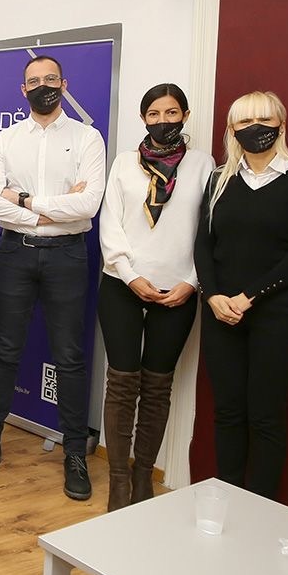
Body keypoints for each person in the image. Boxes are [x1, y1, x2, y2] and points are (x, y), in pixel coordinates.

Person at [0, 54, 106, 501]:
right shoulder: (5, 139)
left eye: (51, 79)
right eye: (34, 81)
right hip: (16, 254)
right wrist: (51, 211)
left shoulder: (87, 138)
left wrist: (25, 201)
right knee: (5, 350)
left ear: (64, 85)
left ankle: (74, 454)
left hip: (68, 256)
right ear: (22, 89)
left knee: (69, 356)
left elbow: (88, 205)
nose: (43, 86)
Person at [195, 91, 288, 500]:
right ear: (232, 129)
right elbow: (203, 245)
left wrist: (248, 296)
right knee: (227, 412)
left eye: (265, 120)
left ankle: (260, 511)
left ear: (281, 125)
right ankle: (228, 502)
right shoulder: (219, 180)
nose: (255, 128)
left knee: (266, 417)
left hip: (277, 314)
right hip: (220, 313)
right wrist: (213, 296)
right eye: (245, 122)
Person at [96, 83, 214, 510]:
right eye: (154, 114)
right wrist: (130, 276)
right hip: (122, 285)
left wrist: (193, 281)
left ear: (185, 115)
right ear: (143, 118)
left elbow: (209, 230)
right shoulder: (124, 163)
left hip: (178, 291)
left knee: (158, 387)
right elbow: (110, 223)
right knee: (122, 383)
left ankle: (143, 477)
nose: (163, 121)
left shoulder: (203, 165)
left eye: (171, 113)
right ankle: (118, 483)